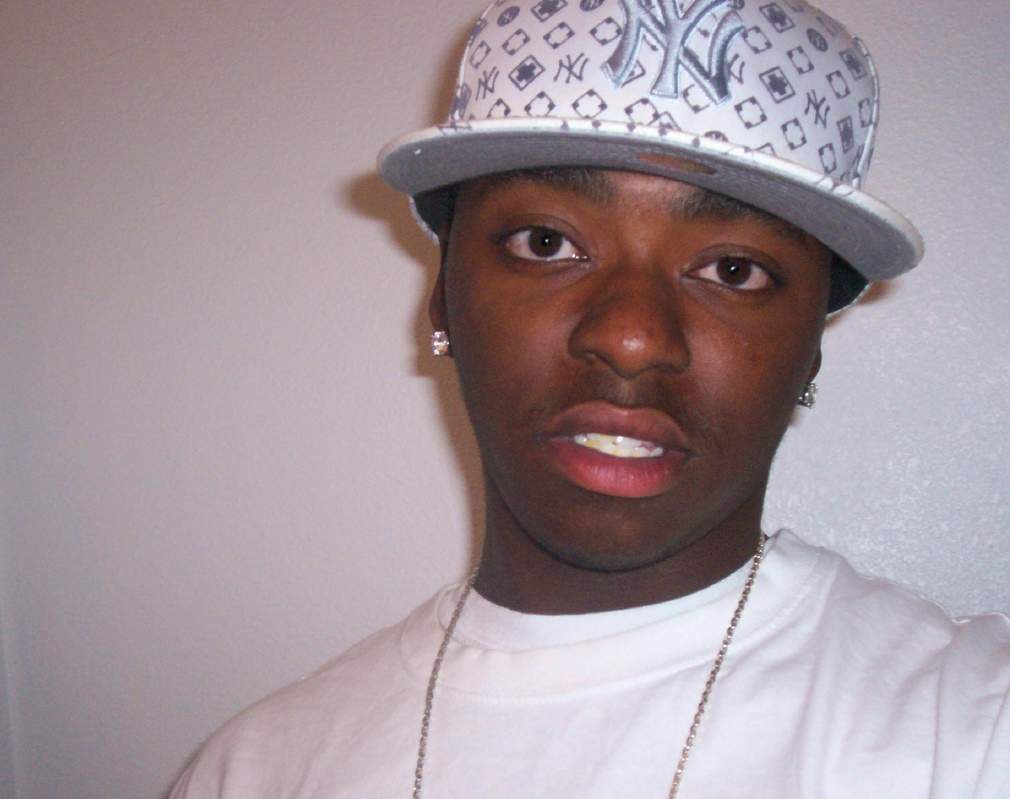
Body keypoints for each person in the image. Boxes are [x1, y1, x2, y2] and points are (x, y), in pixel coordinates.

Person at [169, 0, 1010, 796]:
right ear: (442, 298)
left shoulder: (969, 731)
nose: (632, 336)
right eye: (547, 242)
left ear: (810, 348)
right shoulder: (255, 770)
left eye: (733, 270)